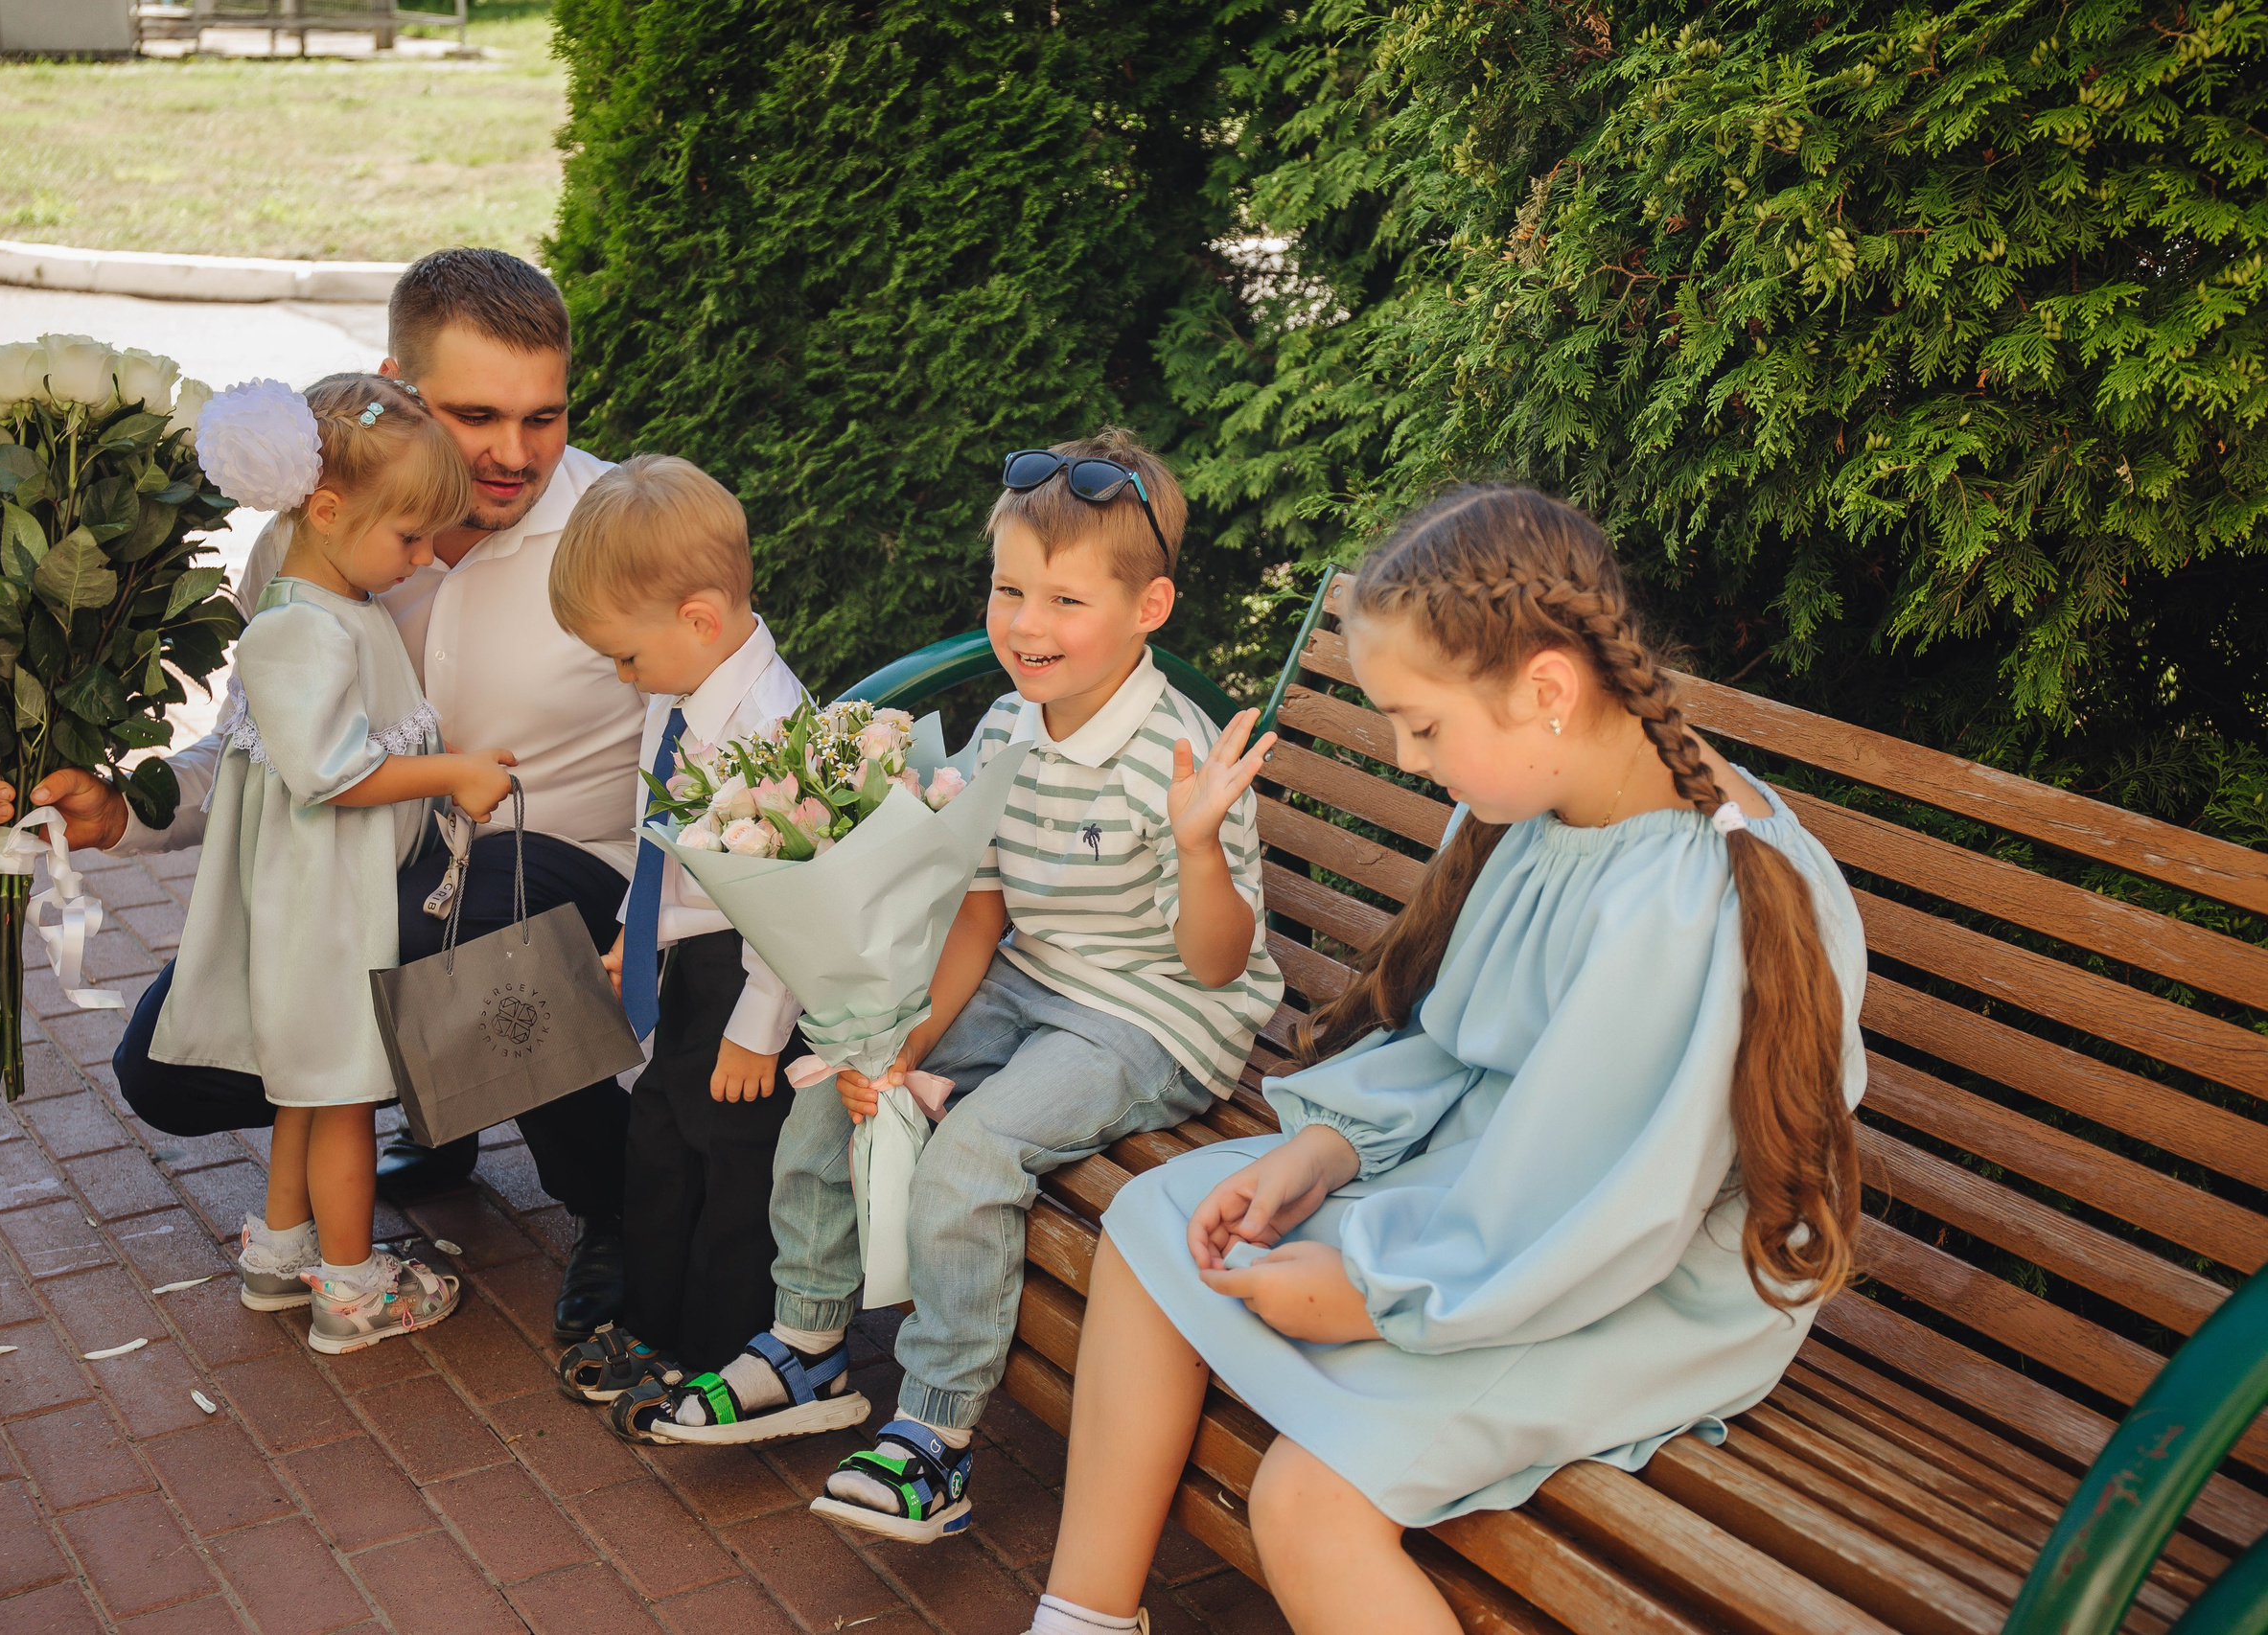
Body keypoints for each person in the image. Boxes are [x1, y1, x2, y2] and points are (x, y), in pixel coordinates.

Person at [1024, 486, 1868, 1635]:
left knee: (1309, 1497)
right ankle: (1081, 1620)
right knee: (1155, 1227)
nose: (1407, 757)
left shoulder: (1684, 904)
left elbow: (1607, 1206)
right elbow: (1465, 1050)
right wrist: (1322, 1152)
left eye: (1420, 725)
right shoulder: (1548, 799)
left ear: (1547, 690)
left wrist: (1375, 1297)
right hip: (1497, 1210)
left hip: (1626, 1279)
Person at [0, 249, 647, 1343]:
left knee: (459, 933)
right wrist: (123, 811)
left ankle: (612, 1204)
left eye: (545, 416)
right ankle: (432, 1109)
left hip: (566, 864)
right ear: (397, 384)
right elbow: (263, 753)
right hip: (369, 865)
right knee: (169, 1071)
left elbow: (711, 738)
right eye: (476, 414)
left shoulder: (623, 525)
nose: (513, 454)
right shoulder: (316, 539)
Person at [631, 431, 1286, 1551]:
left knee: (975, 1152)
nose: (1027, 624)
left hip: (1153, 1016)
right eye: (1009, 588)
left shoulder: (1176, 759)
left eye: (1066, 599)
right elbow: (981, 910)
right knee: (836, 1075)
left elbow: (1219, 963)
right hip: (1031, 976)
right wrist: (896, 1042)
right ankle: (809, 1343)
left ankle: (935, 1437)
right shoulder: (1004, 724)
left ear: (1150, 606)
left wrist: (1200, 847)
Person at [158, 373, 498, 1351]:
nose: (422, 557)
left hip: (326, 892)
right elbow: (329, 770)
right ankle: (352, 1291)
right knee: (342, 1090)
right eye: (408, 537)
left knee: (304, 1087)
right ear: (327, 507)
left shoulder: (332, 602)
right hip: (324, 906)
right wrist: (454, 770)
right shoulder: (299, 624)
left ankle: (279, 1252)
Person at [540, 456, 814, 1422]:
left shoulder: (770, 726)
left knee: (734, 1162)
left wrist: (759, 1025)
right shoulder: (679, 686)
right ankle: (652, 1320)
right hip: (683, 954)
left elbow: (796, 896)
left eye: (624, 655)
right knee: (660, 1137)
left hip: (748, 973)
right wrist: (629, 929)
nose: (622, 675)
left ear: (697, 617)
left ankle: (724, 1347)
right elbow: (657, 829)